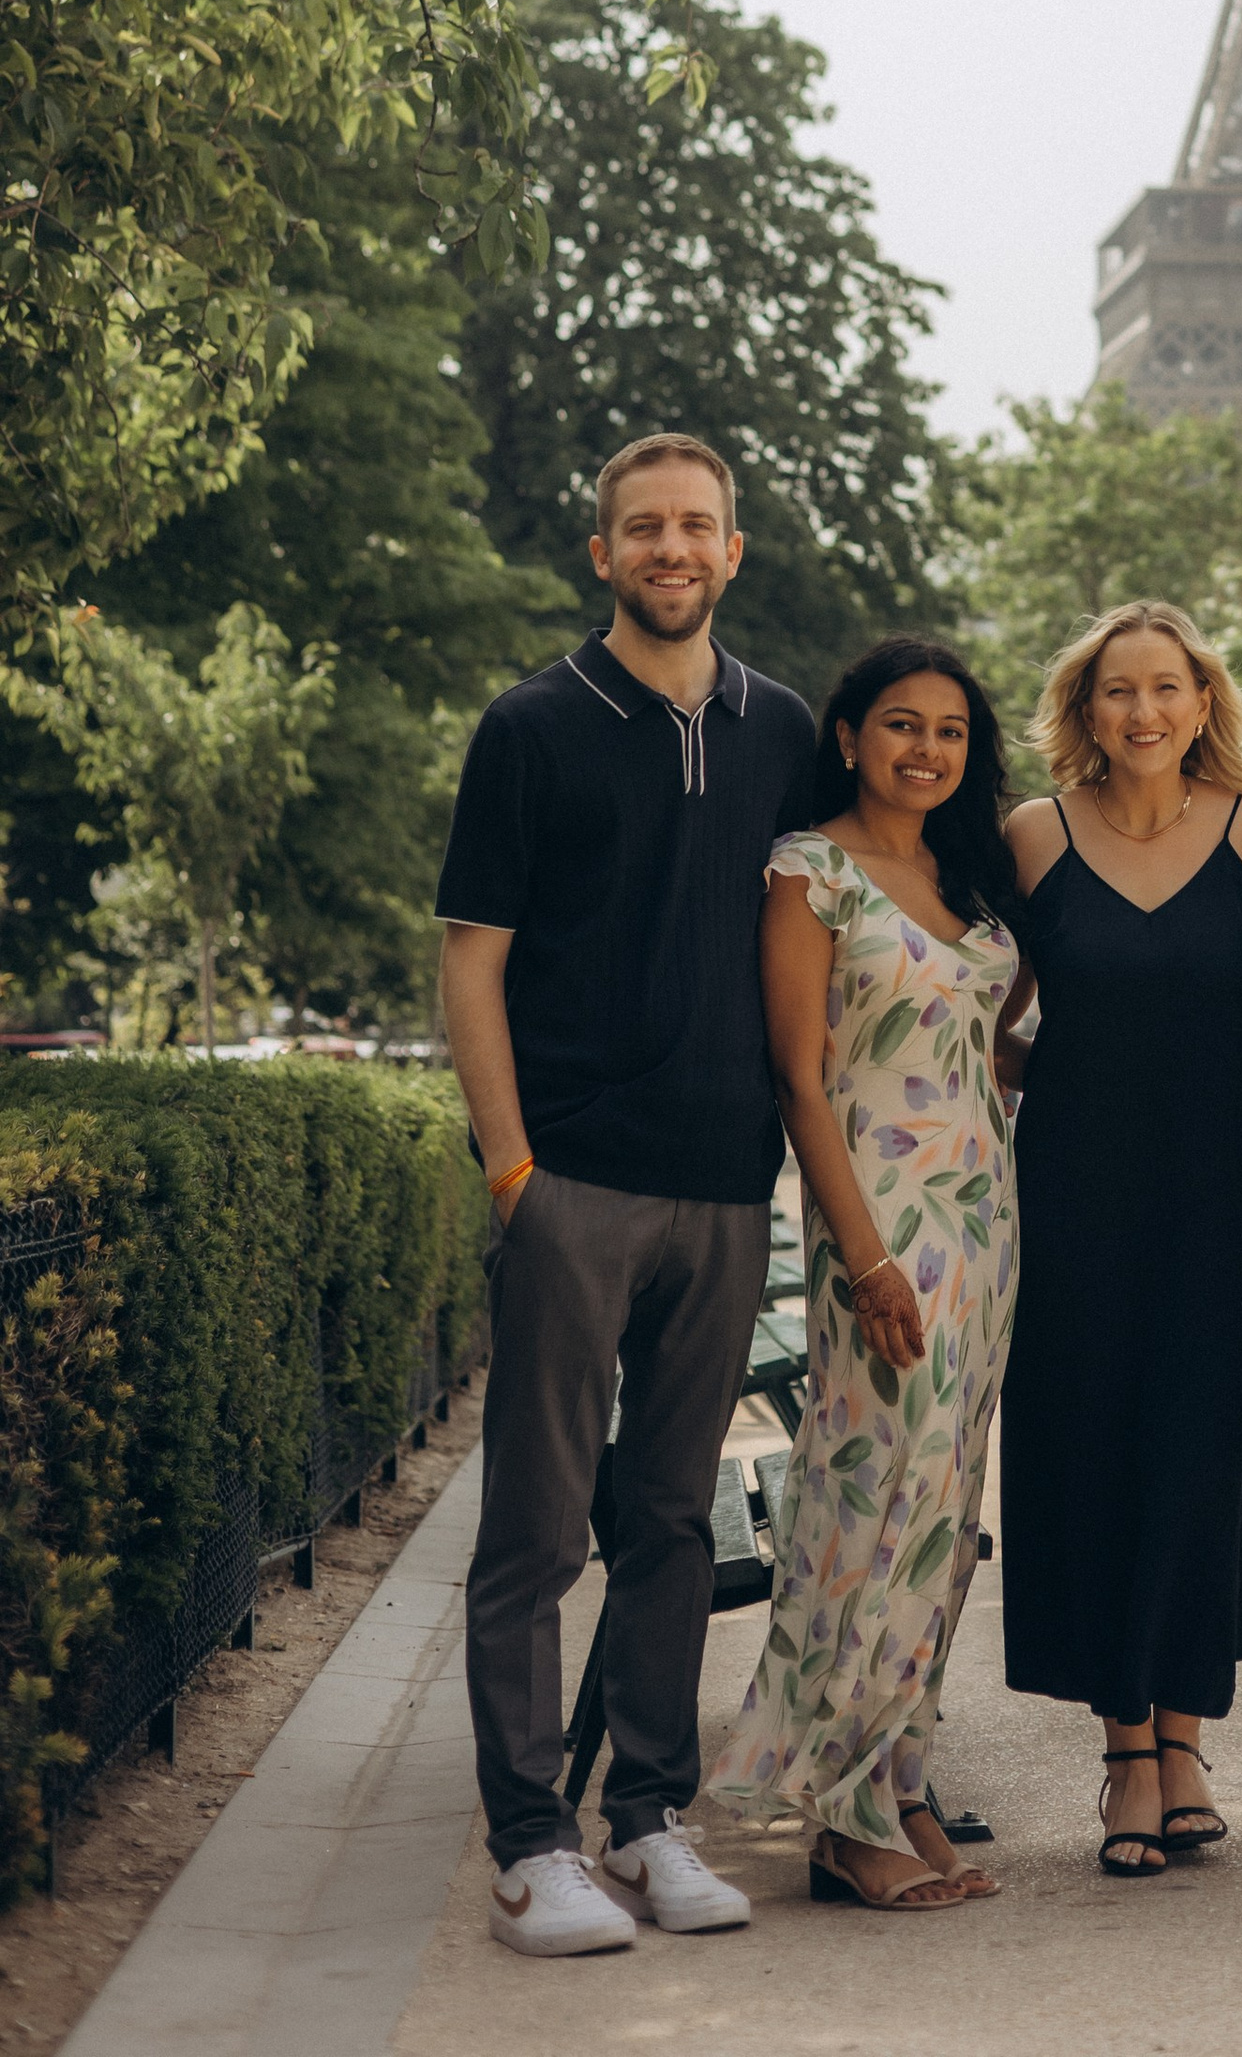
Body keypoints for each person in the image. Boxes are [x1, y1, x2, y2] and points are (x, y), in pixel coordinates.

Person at [436, 432, 809, 1960]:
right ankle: (532, 1846)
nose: (671, 548)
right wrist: (513, 1169)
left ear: (733, 552)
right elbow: (472, 962)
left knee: (670, 1519)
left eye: (697, 527)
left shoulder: (785, 730)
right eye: (642, 527)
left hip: (728, 1186)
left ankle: (649, 1820)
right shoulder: (531, 728)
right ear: (603, 553)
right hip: (574, 1179)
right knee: (537, 1524)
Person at [704, 640, 1022, 1912]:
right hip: (881, 1233)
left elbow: (987, 1053)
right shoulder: (812, 872)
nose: (926, 751)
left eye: (949, 731)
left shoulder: (966, 874)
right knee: (875, 1506)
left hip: (987, 1228)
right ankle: (836, 1814)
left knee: (942, 1521)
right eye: (900, 726)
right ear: (847, 737)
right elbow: (799, 1077)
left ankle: (895, 1783)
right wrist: (867, 1257)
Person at [997, 601, 1242, 1879]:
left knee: (1203, 1461)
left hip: (1220, 1201)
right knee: (1091, 1453)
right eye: (1118, 692)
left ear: (1200, 703)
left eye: (1166, 689)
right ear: (1086, 709)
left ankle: (1187, 1738)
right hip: (1074, 1202)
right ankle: (1128, 1751)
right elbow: (985, 1006)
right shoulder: (1028, 835)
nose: (1142, 713)